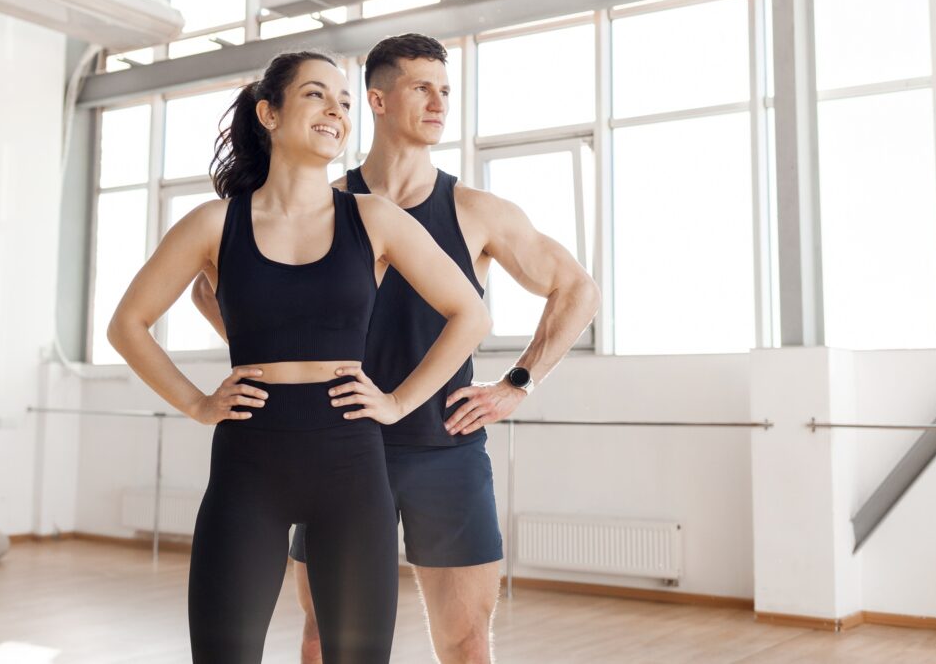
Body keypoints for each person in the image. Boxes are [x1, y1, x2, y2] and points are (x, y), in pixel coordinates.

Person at [193, 34, 601, 664]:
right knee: (323, 638)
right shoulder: (322, 205)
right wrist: (285, 366)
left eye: (446, 90)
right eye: (422, 88)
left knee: (467, 641)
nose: (439, 102)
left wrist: (517, 382)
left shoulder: (476, 211)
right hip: (338, 447)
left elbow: (576, 288)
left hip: (445, 450)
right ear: (376, 101)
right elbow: (211, 287)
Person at [107, 50, 491, 664]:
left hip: (351, 469)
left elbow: (470, 314)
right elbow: (127, 324)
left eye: (344, 100)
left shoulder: (374, 218)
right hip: (247, 470)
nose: (337, 109)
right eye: (317, 94)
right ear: (269, 112)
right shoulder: (215, 223)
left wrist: (396, 402)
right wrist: (197, 403)